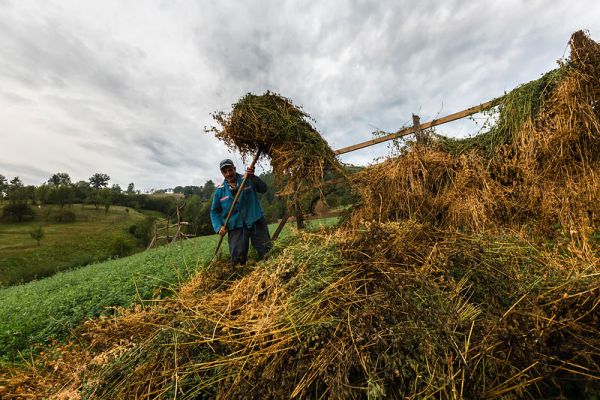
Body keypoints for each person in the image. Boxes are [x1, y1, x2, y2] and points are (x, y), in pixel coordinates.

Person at [210, 158, 272, 265]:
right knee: (238, 261)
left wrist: (252, 177)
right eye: (225, 172)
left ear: (234, 168)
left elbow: (263, 189)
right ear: (222, 173)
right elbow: (214, 212)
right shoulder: (219, 192)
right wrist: (218, 227)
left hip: (255, 221)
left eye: (230, 170)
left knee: (267, 252)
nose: (228, 174)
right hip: (235, 227)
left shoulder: (247, 179)